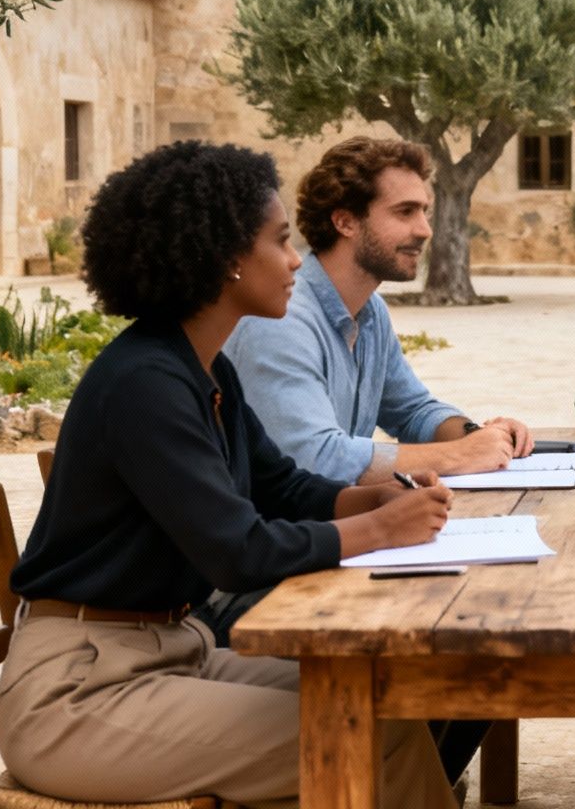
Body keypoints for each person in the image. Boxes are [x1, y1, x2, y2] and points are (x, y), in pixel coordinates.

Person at [0, 141, 459, 809]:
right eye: (280, 242)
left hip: (168, 654)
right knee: (364, 735)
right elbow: (237, 551)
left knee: (387, 709)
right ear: (226, 260)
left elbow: (284, 487)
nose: (297, 260)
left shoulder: (206, 368)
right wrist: (380, 529)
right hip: (81, 693)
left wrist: (370, 497)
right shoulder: (145, 385)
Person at [212, 135, 522, 785]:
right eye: (405, 212)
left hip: (333, 552)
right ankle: (399, 786)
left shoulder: (367, 311)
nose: (423, 229)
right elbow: (314, 457)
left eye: (424, 212)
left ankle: (414, 786)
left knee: (489, 643)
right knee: (460, 647)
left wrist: (481, 432)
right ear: (347, 221)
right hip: (264, 582)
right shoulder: (282, 317)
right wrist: (458, 454)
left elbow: (412, 408)